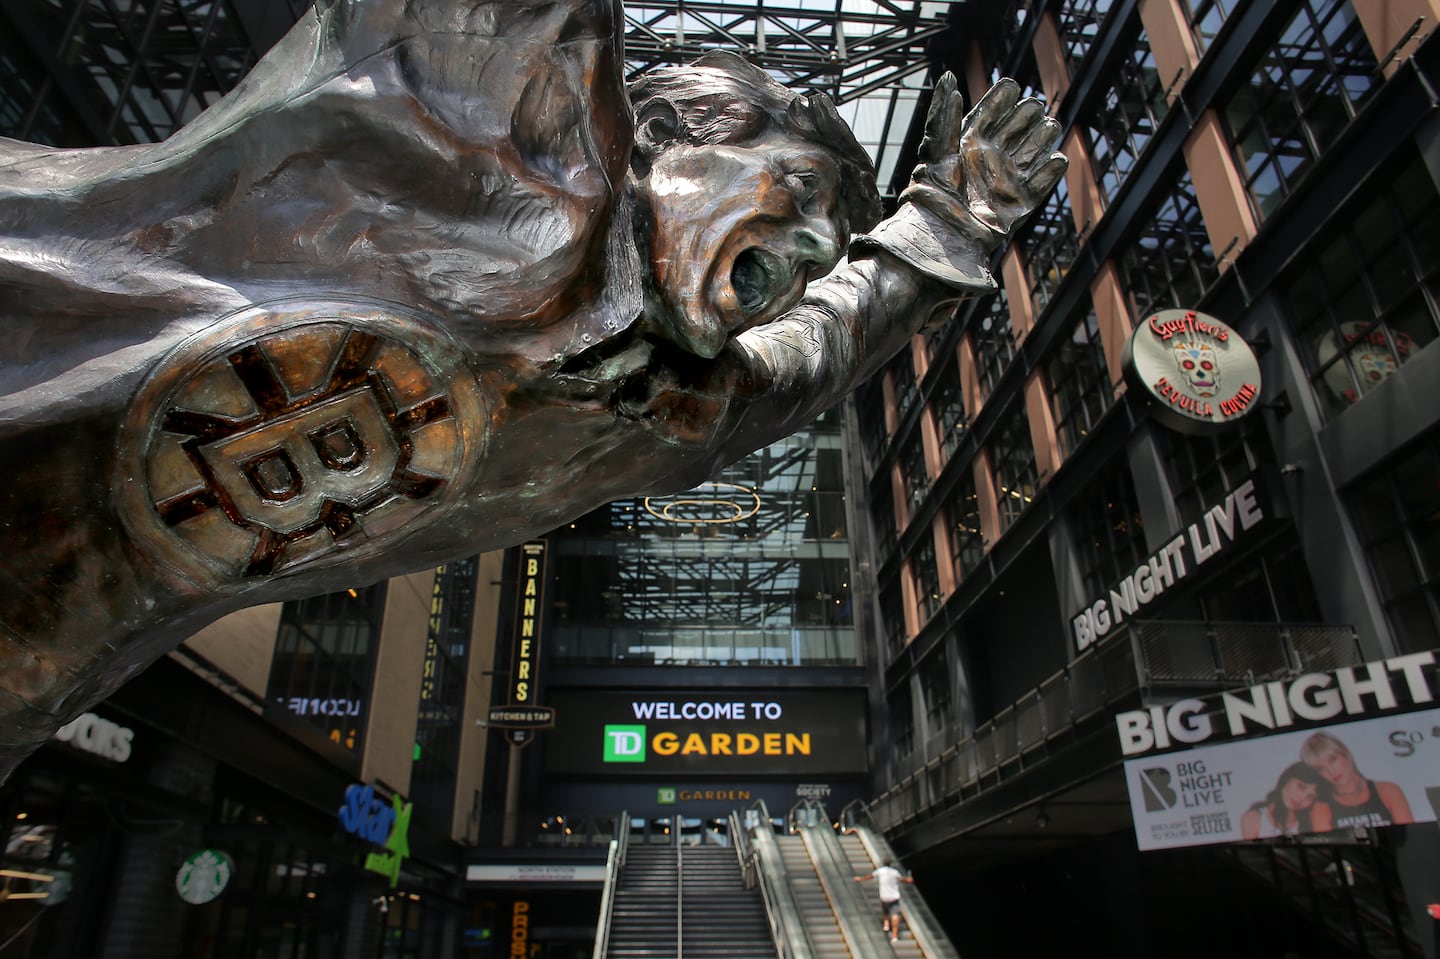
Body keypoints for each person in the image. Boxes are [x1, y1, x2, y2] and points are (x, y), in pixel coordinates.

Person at [0, 0, 1064, 780]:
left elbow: (837, 334)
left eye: (815, 255)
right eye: (789, 211)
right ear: (664, 143)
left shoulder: (669, 409)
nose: (799, 264)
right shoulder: (504, 115)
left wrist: (953, 221)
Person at [1300, 731, 1413, 829]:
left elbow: (1410, 838)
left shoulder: (1388, 791)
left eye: (1333, 760)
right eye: (1322, 769)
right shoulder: (1321, 808)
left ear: (1346, 753)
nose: (1331, 771)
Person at [1240, 762, 1331, 839]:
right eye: (1301, 787)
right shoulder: (1254, 819)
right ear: (1286, 779)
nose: (1301, 798)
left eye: (1310, 797)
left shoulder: (1312, 821)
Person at [855, 857, 915, 942]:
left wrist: (861, 879)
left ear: (883, 863)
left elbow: (870, 876)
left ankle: (886, 925)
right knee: (895, 915)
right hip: (894, 897)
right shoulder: (895, 872)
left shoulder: (880, 871)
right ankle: (894, 936)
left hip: (884, 896)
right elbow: (903, 880)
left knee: (885, 910)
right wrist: (909, 880)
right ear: (891, 863)